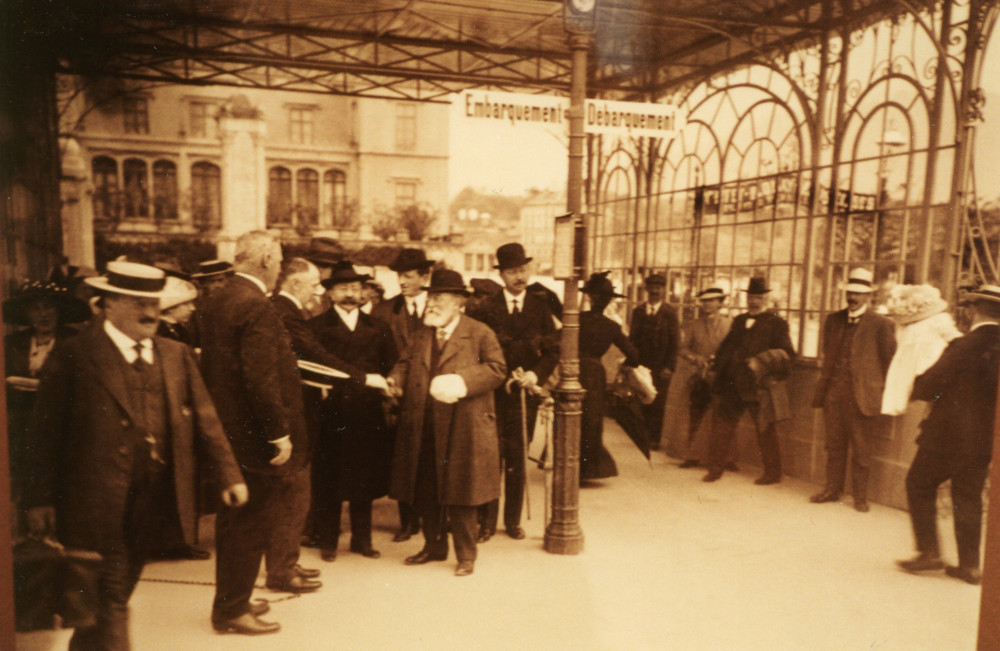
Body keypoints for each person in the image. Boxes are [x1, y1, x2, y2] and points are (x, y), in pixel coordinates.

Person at [23, 261, 246, 650]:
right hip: (92, 504)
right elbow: (45, 435)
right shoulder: (76, 354)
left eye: (155, 303)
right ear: (107, 304)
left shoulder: (176, 355)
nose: (150, 313)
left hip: (153, 503)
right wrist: (39, 499)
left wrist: (230, 475)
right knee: (110, 594)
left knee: (115, 593)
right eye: (138, 302)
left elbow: (207, 420)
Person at [198, 231, 319, 637]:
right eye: (280, 261)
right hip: (253, 437)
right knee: (251, 523)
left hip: (228, 432)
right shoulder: (256, 306)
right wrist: (278, 433)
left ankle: (235, 597)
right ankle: (232, 609)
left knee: (233, 522)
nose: (280, 268)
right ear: (266, 260)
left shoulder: (219, 298)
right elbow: (261, 378)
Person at [388, 269, 506, 576]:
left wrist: (463, 381)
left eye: (439, 298)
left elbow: (497, 369)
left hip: (462, 427)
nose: (432, 303)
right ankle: (433, 547)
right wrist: (395, 380)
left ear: (458, 303)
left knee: (461, 493)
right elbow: (404, 363)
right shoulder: (421, 333)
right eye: (431, 296)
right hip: (424, 424)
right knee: (426, 488)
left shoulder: (480, 332)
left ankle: (466, 556)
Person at [896, 284, 1000, 585]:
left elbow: (930, 385)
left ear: (975, 310)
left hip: (947, 437)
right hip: (983, 440)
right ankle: (970, 566)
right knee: (968, 496)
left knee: (918, 483)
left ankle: (929, 553)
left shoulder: (965, 345)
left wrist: (920, 383)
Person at [467, 242, 559, 541]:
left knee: (518, 459)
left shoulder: (540, 307)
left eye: (523, 270)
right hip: (492, 397)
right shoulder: (485, 308)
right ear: (501, 274)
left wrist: (534, 375)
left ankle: (513, 520)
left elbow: (552, 351)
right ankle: (486, 523)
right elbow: (476, 354)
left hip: (525, 396)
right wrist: (502, 376)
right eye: (511, 272)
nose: (518, 277)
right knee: (490, 460)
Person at [309, 261, 397, 561]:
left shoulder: (379, 328)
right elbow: (313, 369)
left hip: (366, 414)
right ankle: (328, 542)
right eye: (344, 288)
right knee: (329, 481)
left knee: (364, 480)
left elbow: (390, 366)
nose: (350, 294)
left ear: (364, 293)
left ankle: (363, 540)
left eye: (356, 288)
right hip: (330, 413)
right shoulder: (316, 328)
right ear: (331, 293)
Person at [4, 280, 91, 532]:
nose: (43, 315)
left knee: (59, 481)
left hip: (61, 425)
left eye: (49, 308)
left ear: (60, 311)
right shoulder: (12, 344)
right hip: (20, 424)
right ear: (26, 314)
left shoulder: (76, 343)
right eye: (36, 309)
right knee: (21, 481)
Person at [810, 269, 896, 512]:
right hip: (834, 394)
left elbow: (890, 362)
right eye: (850, 293)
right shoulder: (833, 320)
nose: (853, 298)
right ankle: (832, 489)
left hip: (863, 396)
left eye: (859, 294)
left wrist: (880, 394)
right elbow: (828, 356)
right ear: (846, 293)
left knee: (861, 449)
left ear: (868, 296)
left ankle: (860, 497)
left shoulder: (881, 324)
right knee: (834, 445)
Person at [702, 277, 795, 485]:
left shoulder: (777, 323)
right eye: (751, 297)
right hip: (732, 382)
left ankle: (772, 473)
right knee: (722, 426)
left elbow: (787, 354)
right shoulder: (739, 320)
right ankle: (715, 470)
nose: (754, 301)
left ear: (766, 298)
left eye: (759, 297)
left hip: (757, 385)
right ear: (747, 297)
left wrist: (762, 363)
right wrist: (716, 368)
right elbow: (726, 348)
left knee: (765, 429)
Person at [371, 248, 437, 541]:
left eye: (409, 276)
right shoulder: (384, 310)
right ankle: (407, 521)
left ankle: (434, 517)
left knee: (432, 457)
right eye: (399, 276)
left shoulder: (439, 307)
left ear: (425, 276)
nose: (402, 281)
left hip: (433, 394)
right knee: (402, 459)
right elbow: (376, 354)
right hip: (397, 396)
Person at [579, 272, 642, 481]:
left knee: (571, 416)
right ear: (607, 301)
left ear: (590, 297)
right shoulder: (612, 327)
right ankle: (590, 469)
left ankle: (569, 463)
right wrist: (625, 366)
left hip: (574, 371)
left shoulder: (577, 320)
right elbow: (634, 355)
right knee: (593, 419)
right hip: (596, 374)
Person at [676, 287, 734, 469]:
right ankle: (692, 456)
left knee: (723, 416)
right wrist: (695, 358)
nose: (707, 304)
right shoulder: (694, 324)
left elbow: (734, 349)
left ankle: (726, 458)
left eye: (712, 301)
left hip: (722, 376)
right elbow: (683, 349)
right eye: (704, 301)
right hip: (699, 375)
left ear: (720, 303)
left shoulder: (730, 324)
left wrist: (721, 361)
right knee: (696, 414)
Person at [628, 273, 679, 450]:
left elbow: (675, 342)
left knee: (658, 402)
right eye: (652, 288)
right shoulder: (638, 312)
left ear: (663, 290)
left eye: (658, 288)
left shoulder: (670, 313)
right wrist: (631, 362)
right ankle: (642, 437)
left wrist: (669, 366)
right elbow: (632, 339)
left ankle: (654, 438)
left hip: (661, 366)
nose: (655, 291)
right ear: (646, 290)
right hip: (642, 364)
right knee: (641, 399)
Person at [156, 276, 199, 347]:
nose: (192, 308)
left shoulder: (180, 329)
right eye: (186, 304)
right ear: (170, 307)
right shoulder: (160, 332)